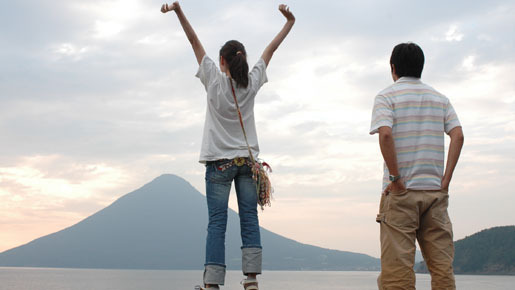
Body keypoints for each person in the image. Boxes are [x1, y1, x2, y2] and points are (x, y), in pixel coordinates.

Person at [161, 2, 295, 289]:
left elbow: (193, 40)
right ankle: (250, 280)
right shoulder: (252, 81)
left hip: (218, 164)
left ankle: (212, 284)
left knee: (217, 223)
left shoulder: (213, 79)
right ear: (243, 61)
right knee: (249, 218)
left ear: (222, 62)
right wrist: (289, 23)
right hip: (247, 164)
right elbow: (270, 50)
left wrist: (177, 10)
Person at [370, 43, 464, 290]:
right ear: (421, 67)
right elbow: (458, 135)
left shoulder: (386, 96)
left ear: (393, 68)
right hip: (435, 192)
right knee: (442, 268)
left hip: (402, 193)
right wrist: (445, 180)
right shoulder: (440, 99)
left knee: (397, 274)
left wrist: (396, 179)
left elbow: (386, 135)